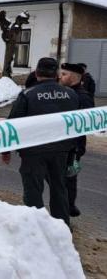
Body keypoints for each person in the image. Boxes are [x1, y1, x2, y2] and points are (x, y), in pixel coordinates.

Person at [3, 58, 78, 226]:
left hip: (33, 151)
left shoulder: (28, 95)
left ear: (36, 74)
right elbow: (77, 123)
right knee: (59, 189)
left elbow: (13, 124)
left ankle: (37, 228)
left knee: (33, 190)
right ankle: (62, 228)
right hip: (61, 150)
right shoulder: (71, 95)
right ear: (57, 74)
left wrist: (6, 150)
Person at [60, 63, 95, 217]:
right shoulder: (65, 92)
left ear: (73, 78)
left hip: (73, 146)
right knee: (65, 178)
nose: (60, 77)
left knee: (69, 179)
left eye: (64, 74)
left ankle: (67, 209)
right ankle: (69, 206)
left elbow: (87, 123)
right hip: (65, 144)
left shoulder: (82, 97)